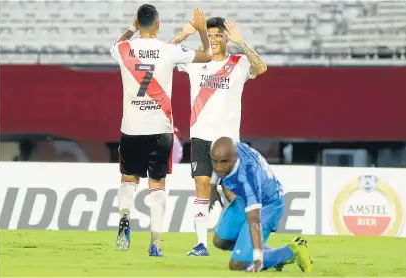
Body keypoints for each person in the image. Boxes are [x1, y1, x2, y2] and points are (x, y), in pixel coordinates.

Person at [109, 4, 212, 256]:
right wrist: (200, 31)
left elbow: (116, 45)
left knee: (128, 179)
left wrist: (131, 28)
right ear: (158, 24)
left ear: (138, 23)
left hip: (131, 127)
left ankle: (125, 214)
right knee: (157, 186)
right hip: (160, 128)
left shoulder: (123, 49)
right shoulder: (169, 50)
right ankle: (154, 243)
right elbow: (207, 55)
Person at [168, 17, 268, 256]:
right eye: (209, 36)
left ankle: (244, 242)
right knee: (202, 187)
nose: (213, 40)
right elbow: (166, 54)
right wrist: (184, 34)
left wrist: (241, 42)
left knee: (234, 195)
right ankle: (201, 244)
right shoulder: (196, 60)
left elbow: (261, 67)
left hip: (228, 142)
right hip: (201, 137)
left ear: (226, 36)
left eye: (217, 36)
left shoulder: (239, 62)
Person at [209, 137, 313, 272]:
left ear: (235, 157)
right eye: (215, 162)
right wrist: (212, 188)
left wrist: (258, 259)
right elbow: (218, 161)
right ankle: (255, 252)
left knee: (237, 265)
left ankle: (290, 251)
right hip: (244, 197)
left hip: (268, 205)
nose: (218, 167)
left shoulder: (248, 177)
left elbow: (255, 221)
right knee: (221, 241)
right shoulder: (230, 149)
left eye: (223, 162)